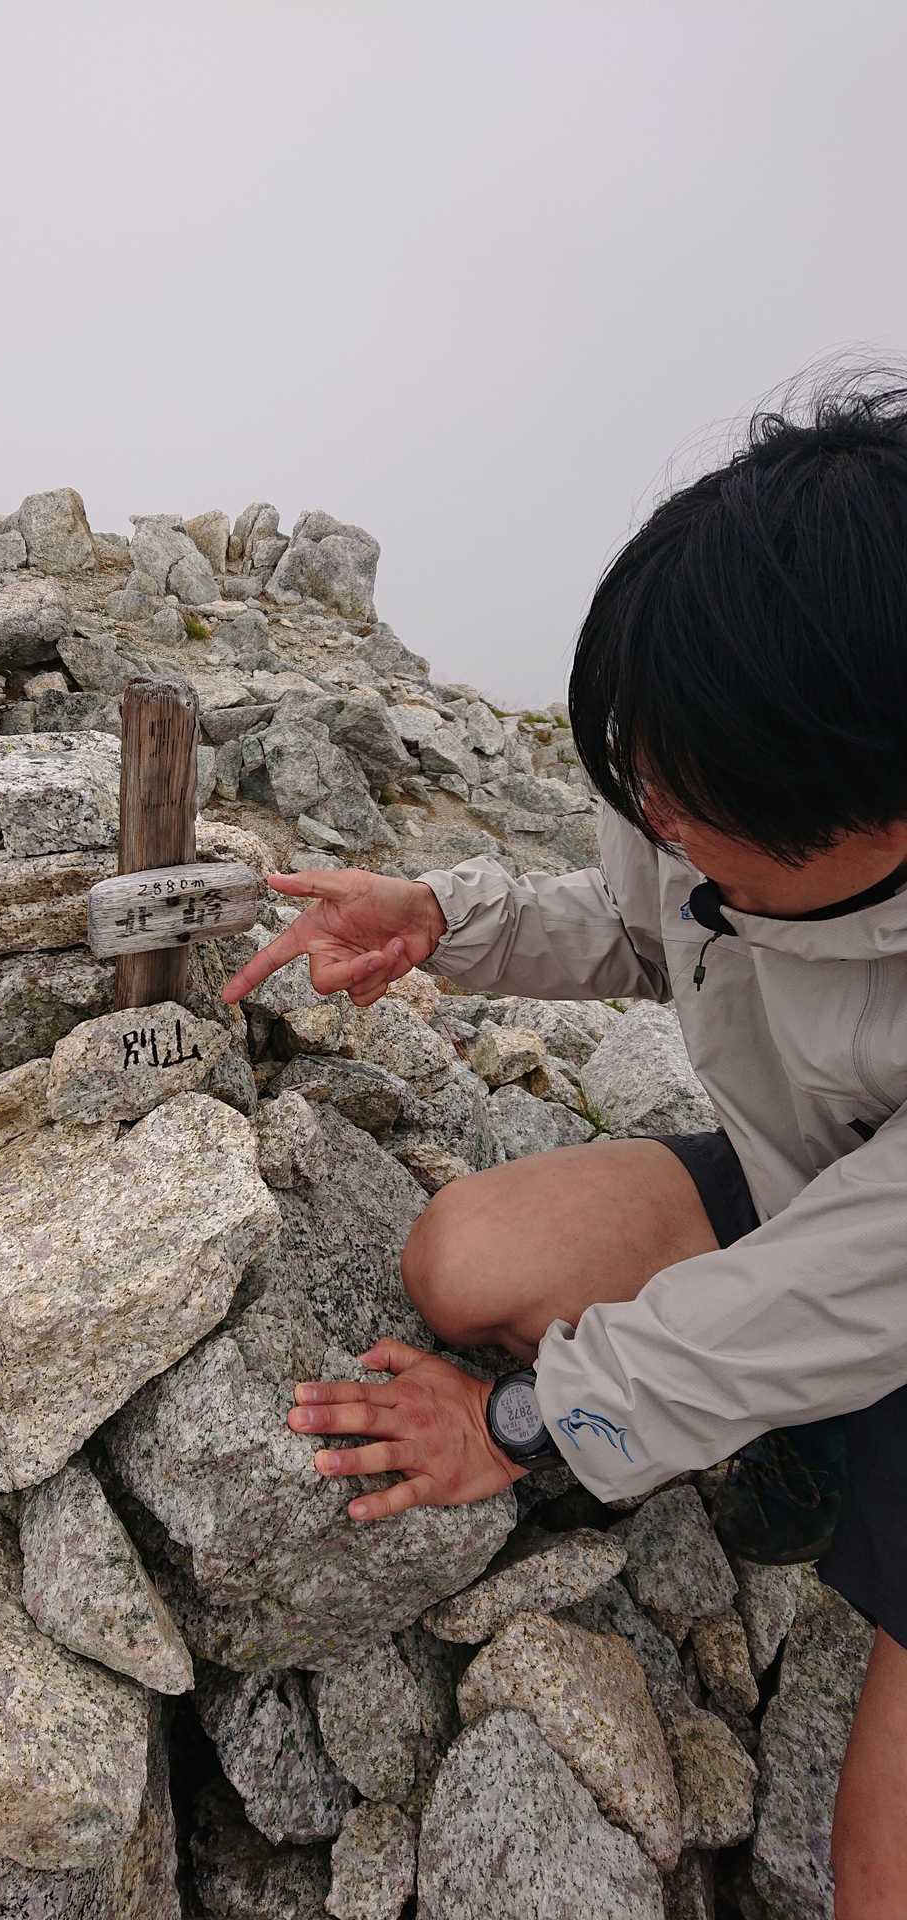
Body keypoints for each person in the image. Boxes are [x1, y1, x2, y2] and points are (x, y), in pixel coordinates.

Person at [222, 377, 907, 1917]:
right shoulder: (704, 818)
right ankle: (793, 1444)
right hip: (817, 1188)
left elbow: (857, 1279)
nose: (651, 818)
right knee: (470, 1257)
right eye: (640, 777)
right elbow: (649, 922)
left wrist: (526, 1425)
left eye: (690, 799)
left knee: (880, 1869)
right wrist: (441, 918)